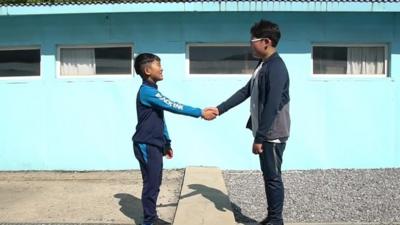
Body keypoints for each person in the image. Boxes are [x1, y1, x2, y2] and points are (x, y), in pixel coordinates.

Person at [211, 20, 290, 225]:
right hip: (265, 131)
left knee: (273, 177)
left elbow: (273, 105)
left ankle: (276, 220)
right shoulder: (263, 65)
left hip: (272, 132)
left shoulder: (277, 68)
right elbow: (246, 91)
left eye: (252, 41)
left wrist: (260, 137)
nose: (250, 45)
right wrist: (220, 109)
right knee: (268, 175)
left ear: (266, 42)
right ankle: (272, 217)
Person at [132, 53, 216, 225]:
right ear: (147, 70)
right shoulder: (147, 92)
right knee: (151, 183)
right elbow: (173, 106)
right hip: (146, 144)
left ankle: (151, 218)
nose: (162, 68)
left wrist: (167, 142)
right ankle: (149, 221)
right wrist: (200, 112)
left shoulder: (153, 91)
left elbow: (159, 120)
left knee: (154, 182)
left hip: (154, 144)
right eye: (158, 65)